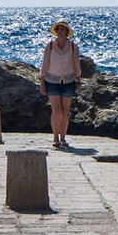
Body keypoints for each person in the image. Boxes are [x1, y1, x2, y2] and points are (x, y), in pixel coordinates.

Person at [39, 20, 81, 148]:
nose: (60, 31)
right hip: (51, 80)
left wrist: (79, 81)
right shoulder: (50, 46)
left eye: (63, 29)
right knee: (56, 110)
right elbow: (45, 63)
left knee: (65, 110)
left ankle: (63, 138)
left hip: (68, 81)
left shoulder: (73, 47)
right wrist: (42, 81)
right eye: (58, 29)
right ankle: (55, 138)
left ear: (67, 31)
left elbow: (76, 64)